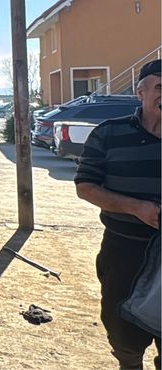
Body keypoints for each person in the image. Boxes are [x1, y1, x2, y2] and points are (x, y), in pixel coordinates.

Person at [75, 59, 161, 369]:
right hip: (125, 251)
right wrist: (136, 207)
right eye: (159, 87)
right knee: (123, 330)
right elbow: (85, 186)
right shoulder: (109, 133)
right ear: (141, 93)